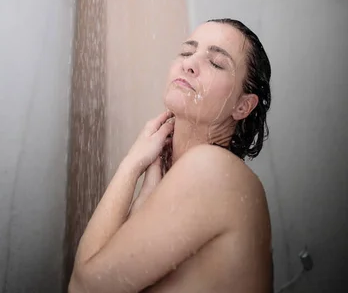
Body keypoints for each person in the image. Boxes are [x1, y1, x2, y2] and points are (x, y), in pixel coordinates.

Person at [69, 18, 273, 293]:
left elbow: (83, 288)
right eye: (187, 52)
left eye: (215, 62)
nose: (188, 64)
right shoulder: (182, 179)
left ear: (242, 105)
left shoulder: (213, 170)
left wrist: (130, 165)